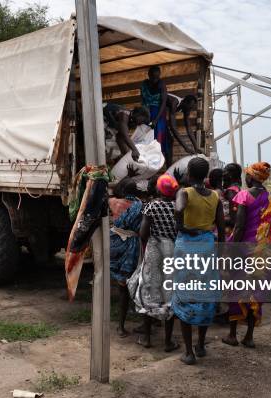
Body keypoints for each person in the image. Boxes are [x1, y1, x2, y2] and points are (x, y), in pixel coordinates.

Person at [172, 157, 225, 365]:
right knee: (206, 296)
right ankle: (201, 345)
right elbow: (221, 228)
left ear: (188, 173)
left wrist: (183, 226)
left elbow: (178, 209)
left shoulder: (184, 192)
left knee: (185, 295)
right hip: (207, 247)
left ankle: (188, 352)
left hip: (187, 246)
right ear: (205, 175)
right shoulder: (215, 196)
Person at [223, 162, 271, 349]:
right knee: (256, 292)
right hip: (262, 252)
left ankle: (232, 335)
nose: (245, 178)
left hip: (244, 251)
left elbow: (239, 227)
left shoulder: (243, 196)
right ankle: (249, 336)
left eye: (247, 175)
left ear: (252, 177)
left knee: (235, 289)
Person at [127, 174, 179, 351]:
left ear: (159, 189)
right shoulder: (177, 207)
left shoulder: (152, 206)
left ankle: (147, 338)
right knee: (169, 292)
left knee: (149, 288)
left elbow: (143, 232)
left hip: (154, 249)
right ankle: (168, 342)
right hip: (171, 249)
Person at [109, 173, 143, 337]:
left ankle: (121, 326)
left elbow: (113, 191)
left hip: (115, 245)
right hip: (132, 247)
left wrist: (126, 177)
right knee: (137, 285)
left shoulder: (114, 202)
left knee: (121, 287)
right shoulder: (141, 206)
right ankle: (146, 322)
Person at [141, 66, 170, 166]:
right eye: (153, 77)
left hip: (158, 115)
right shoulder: (144, 84)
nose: (155, 80)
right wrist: (145, 116)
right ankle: (147, 165)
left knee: (159, 142)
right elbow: (143, 101)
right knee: (147, 142)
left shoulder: (162, 85)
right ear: (149, 75)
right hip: (146, 114)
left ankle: (159, 166)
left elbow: (163, 104)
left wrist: (156, 120)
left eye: (157, 77)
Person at [222, 163, 243, 238]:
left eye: (224, 172)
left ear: (230, 175)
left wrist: (217, 220)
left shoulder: (231, 191)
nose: (223, 175)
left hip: (230, 233)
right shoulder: (237, 188)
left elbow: (234, 220)